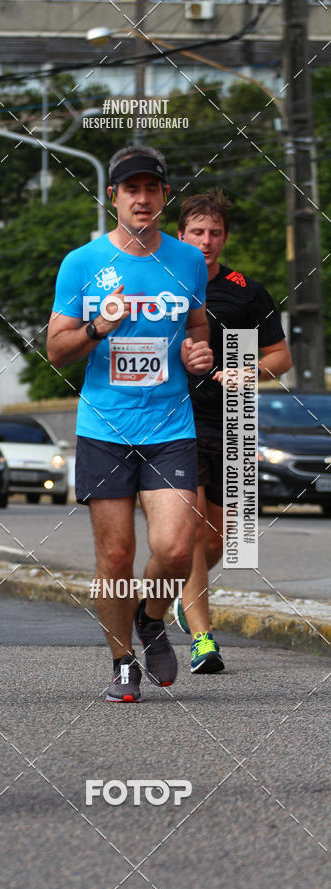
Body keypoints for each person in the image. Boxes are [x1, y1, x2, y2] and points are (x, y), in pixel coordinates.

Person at [47, 145, 213, 703]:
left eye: (151, 189)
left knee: (173, 546)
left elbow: (197, 332)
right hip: (104, 427)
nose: (142, 199)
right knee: (115, 556)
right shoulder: (83, 263)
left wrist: (198, 355)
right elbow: (55, 349)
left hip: (170, 426)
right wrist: (98, 326)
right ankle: (122, 660)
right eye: (130, 189)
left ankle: (151, 617)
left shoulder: (188, 261)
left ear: (164, 196)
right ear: (112, 196)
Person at [175, 190, 292, 672]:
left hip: (233, 418)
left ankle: (185, 596)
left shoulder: (246, 289)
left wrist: (248, 371)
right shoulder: (162, 281)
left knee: (220, 539)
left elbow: (281, 357)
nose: (206, 241)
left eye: (214, 233)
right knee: (190, 528)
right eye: (197, 232)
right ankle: (204, 636)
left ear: (224, 237)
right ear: (180, 235)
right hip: (177, 418)